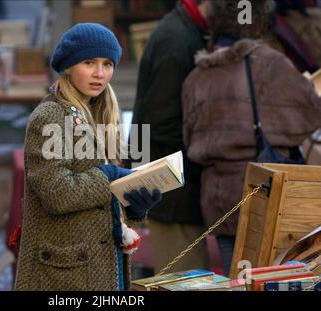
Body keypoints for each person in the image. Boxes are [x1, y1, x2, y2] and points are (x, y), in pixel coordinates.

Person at [14, 23, 162, 291]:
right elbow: (58, 193)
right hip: (63, 274)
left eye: (108, 64)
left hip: (104, 265)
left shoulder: (101, 112)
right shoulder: (50, 116)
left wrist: (135, 205)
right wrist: (110, 176)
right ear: (69, 66)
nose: (100, 73)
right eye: (89, 62)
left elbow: (100, 198)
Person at [182, 0, 321, 276]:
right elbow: (310, 115)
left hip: (219, 200)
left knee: (236, 277)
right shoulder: (271, 64)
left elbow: (189, 140)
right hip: (266, 192)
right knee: (272, 278)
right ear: (257, 19)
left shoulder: (195, 77)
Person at [129, 0, 210, 274]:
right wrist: (208, 148)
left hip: (173, 186)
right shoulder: (177, 40)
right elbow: (161, 123)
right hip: (172, 190)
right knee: (183, 279)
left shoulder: (184, 30)